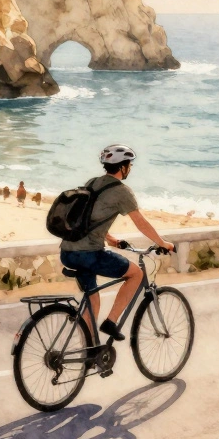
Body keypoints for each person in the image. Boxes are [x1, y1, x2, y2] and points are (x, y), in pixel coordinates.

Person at [59, 144, 173, 341]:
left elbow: (87, 218)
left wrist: (110, 239)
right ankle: (110, 322)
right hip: (89, 254)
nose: (130, 168)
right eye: (129, 164)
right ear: (123, 167)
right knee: (136, 274)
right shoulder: (122, 192)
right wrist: (163, 243)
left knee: (92, 299)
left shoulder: (92, 182)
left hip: (68, 251)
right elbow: (141, 223)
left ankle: (90, 349)